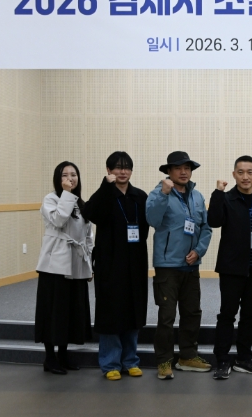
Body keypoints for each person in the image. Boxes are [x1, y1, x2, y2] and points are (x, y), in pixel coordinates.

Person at [81, 152, 149, 381]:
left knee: (133, 310)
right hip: (110, 263)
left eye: (126, 167)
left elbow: (145, 228)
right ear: (108, 170)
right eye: (117, 167)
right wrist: (105, 187)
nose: (122, 171)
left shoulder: (140, 196)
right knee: (111, 312)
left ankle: (130, 360)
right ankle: (110, 363)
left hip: (135, 262)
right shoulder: (104, 194)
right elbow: (89, 213)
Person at [146, 151, 213, 380]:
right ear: (169, 171)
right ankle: (164, 361)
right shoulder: (158, 193)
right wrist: (164, 194)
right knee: (167, 316)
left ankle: (187, 356)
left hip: (191, 266)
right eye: (178, 168)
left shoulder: (197, 196)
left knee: (192, 313)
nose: (184, 172)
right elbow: (152, 220)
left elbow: (206, 227)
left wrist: (199, 251)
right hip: (167, 266)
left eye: (187, 168)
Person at [208, 156, 252, 380]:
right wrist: (218, 193)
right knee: (227, 314)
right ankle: (222, 360)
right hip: (232, 268)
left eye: (250, 172)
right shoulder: (226, 199)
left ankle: (244, 357)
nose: (245, 177)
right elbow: (213, 221)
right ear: (234, 174)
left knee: (250, 315)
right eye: (241, 172)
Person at [35, 161, 93, 375]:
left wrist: (89, 264)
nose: (70, 178)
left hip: (76, 264)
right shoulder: (51, 199)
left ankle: (63, 354)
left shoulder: (81, 203)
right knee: (53, 311)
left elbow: (88, 235)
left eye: (74, 174)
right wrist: (67, 194)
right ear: (57, 179)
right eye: (65, 175)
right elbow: (59, 220)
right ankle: (49, 358)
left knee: (70, 311)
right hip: (55, 265)